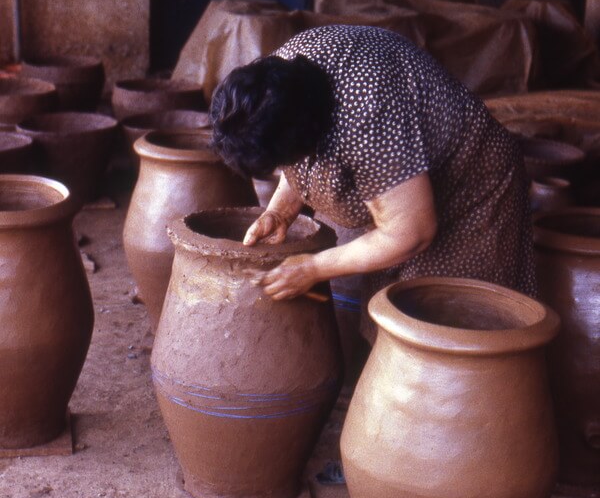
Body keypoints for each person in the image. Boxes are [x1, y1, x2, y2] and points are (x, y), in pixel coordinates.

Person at [209, 24, 535, 341]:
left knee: (438, 328)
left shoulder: (368, 115)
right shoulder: (276, 80)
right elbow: (294, 148)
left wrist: (313, 268)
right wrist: (280, 212)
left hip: (471, 187)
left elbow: (410, 233)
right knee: (387, 312)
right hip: (408, 181)